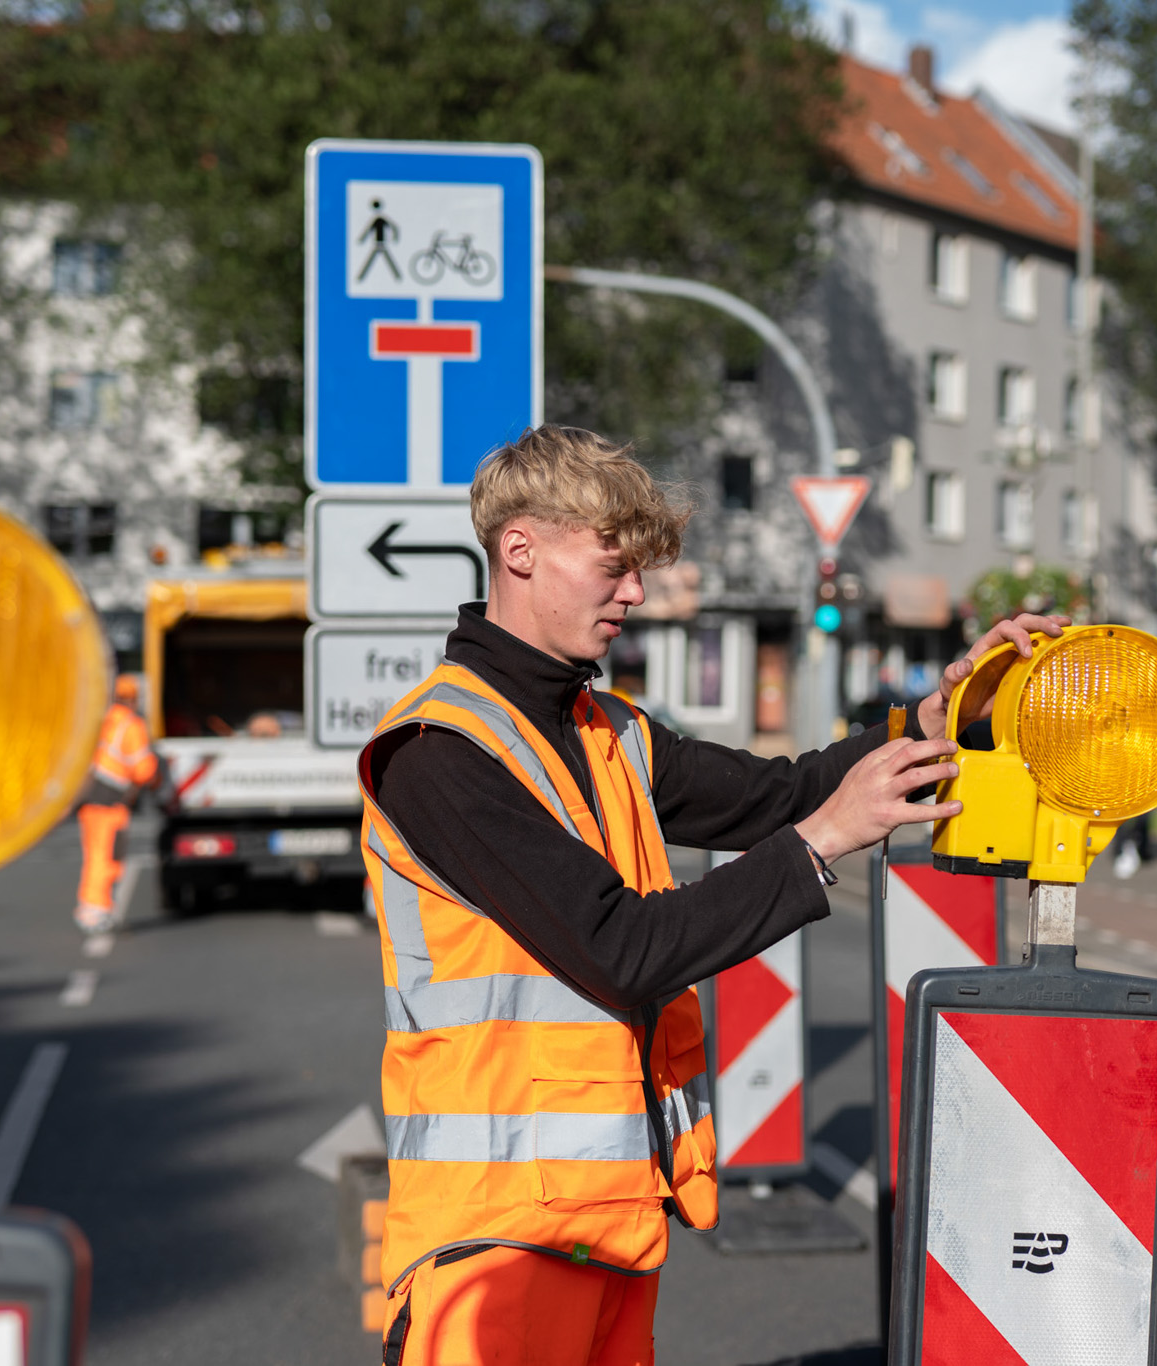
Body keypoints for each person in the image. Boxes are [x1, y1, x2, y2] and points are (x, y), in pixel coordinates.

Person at [359, 426, 1066, 1366]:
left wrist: (937, 719)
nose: (636, 593)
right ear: (519, 547)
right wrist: (821, 842)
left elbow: (781, 791)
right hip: (493, 1239)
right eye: (612, 565)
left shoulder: (604, 727)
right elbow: (623, 947)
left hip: (606, 1214)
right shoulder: (440, 751)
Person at [74, 674, 160, 936]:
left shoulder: (98, 720)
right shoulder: (131, 725)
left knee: (93, 855)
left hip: (90, 799)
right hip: (112, 802)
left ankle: (92, 907)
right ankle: (95, 910)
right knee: (108, 857)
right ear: (134, 699)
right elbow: (143, 769)